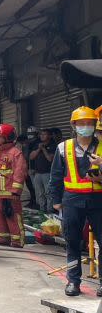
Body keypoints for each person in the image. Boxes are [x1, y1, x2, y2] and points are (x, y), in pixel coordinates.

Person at [48, 106, 102, 297]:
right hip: (72, 200)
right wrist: (55, 200)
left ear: (95, 125)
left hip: (98, 200)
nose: (86, 126)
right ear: (74, 125)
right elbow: (55, 176)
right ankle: (73, 281)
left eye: (89, 123)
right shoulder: (64, 147)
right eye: (82, 123)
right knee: (72, 242)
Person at [0, 123, 27, 248]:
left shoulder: (15, 153)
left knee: (13, 215)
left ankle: (17, 240)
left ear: (6, 137)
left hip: (10, 193)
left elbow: (20, 172)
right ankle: (2, 238)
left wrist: (16, 191)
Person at [29, 128, 56, 212]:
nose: (42, 136)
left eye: (44, 134)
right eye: (41, 134)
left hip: (47, 173)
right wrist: (39, 149)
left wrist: (44, 149)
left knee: (48, 193)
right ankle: (42, 210)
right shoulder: (37, 144)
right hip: (38, 173)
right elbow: (31, 157)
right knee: (39, 193)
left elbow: (50, 159)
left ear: (49, 136)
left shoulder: (53, 145)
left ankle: (50, 211)